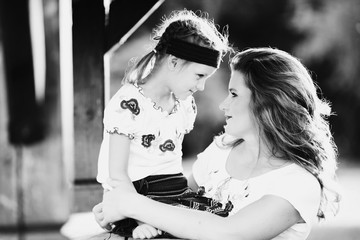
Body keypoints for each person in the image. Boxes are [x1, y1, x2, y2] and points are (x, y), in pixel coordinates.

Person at [94, 47, 341, 240]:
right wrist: (119, 215)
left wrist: (130, 203)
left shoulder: (298, 183)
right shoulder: (220, 151)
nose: (223, 105)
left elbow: (228, 233)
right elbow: (170, 209)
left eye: (234, 94)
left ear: (268, 103)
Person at [96, 9, 231, 239]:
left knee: (221, 221)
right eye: (200, 76)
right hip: (135, 195)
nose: (201, 87)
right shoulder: (128, 104)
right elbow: (117, 175)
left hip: (173, 192)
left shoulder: (183, 104)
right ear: (174, 62)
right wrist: (141, 220)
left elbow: (171, 165)